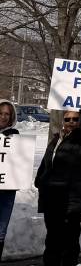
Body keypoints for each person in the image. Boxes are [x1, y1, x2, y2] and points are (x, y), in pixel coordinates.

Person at [34, 106, 81, 266]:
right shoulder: (56, 139)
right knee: (53, 239)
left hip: (72, 198)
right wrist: (40, 179)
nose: (71, 122)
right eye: (68, 119)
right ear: (63, 121)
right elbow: (47, 161)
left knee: (70, 241)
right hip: (52, 197)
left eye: (75, 119)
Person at [0, 100, 20, 260]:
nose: (3, 117)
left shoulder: (15, 136)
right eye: (0, 113)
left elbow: (20, 163)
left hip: (6, 192)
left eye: (7, 114)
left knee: (0, 232)